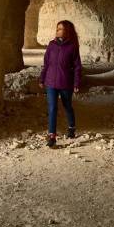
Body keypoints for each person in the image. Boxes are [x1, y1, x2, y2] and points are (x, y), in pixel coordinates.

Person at [38, 20, 82, 148]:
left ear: (67, 31)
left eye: (61, 29)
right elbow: (46, 63)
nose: (58, 31)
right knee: (52, 108)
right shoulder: (51, 45)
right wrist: (42, 78)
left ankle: (71, 127)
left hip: (65, 82)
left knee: (67, 105)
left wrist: (76, 83)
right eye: (57, 29)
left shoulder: (73, 46)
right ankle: (52, 136)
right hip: (51, 82)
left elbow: (77, 67)